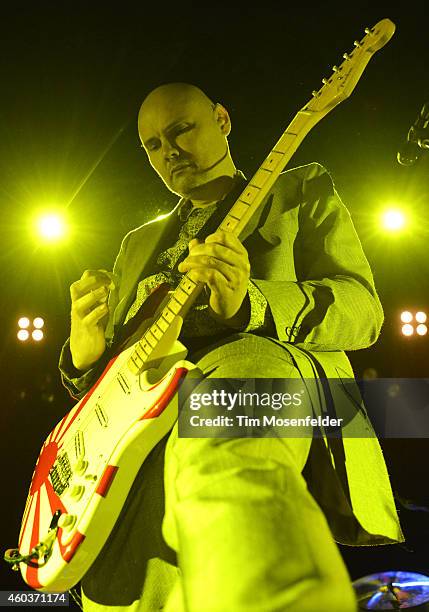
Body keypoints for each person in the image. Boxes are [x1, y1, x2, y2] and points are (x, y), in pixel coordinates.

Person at [59, 82, 403, 612]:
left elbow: (364, 311)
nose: (168, 151)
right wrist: (86, 357)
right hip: (137, 441)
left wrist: (253, 303)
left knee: (231, 474)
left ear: (221, 119)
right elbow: (122, 374)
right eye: (152, 144)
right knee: (124, 594)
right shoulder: (134, 245)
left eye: (181, 129)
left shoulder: (300, 191)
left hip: (248, 369)